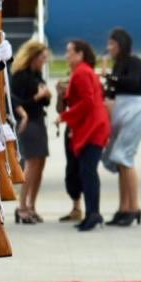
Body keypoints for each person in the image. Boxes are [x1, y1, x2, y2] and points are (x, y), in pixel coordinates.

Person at [58, 39, 110, 231]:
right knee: (88, 172)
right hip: (93, 127)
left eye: (69, 51)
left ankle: (93, 213)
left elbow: (88, 102)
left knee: (88, 172)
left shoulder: (81, 72)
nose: (66, 55)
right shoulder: (85, 71)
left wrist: (64, 116)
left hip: (92, 129)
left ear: (80, 54)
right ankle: (91, 213)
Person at [102, 27, 141, 226]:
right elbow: (112, 93)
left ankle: (134, 207)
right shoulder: (118, 65)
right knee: (120, 161)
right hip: (122, 113)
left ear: (120, 45)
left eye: (112, 44)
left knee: (125, 157)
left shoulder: (134, 62)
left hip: (135, 112)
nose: (109, 48)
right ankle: (124, 207)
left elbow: (132, 83)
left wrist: (109, 77)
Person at [11, 39, 52, 223]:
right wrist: (38, 96)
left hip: (38, 119)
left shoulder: (37, 75)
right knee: (31, 164)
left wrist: (45, 97)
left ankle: (32, 204)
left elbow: (43, 102)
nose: (44, 61)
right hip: (29, 122)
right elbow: (17, 101)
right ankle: (22, 206)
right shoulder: (20, 76)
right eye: (42, 57)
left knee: (40, 163)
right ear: (33, 57)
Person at [55, 77, 83, 222]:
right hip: (71, 128)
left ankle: (89, 208)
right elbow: (60, 109)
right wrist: (60, 94)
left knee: (85, 169)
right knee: (71, 169)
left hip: (86, 126)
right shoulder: (68, 82)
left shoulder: (86, 80)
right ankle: (76, 206)